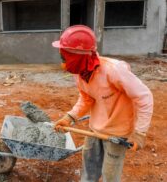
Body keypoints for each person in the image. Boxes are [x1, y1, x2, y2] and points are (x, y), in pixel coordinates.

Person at [52, 25, 153, 182]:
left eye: (64, 58)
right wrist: (70, 117)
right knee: (88, 173)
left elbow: (144, 97)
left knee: (110, 176)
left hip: (117, 133)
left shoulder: (114, 70)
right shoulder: (79, 73)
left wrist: (140, 133)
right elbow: (86, 98)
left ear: (77, 56)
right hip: (95, 129)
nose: (63, 64)